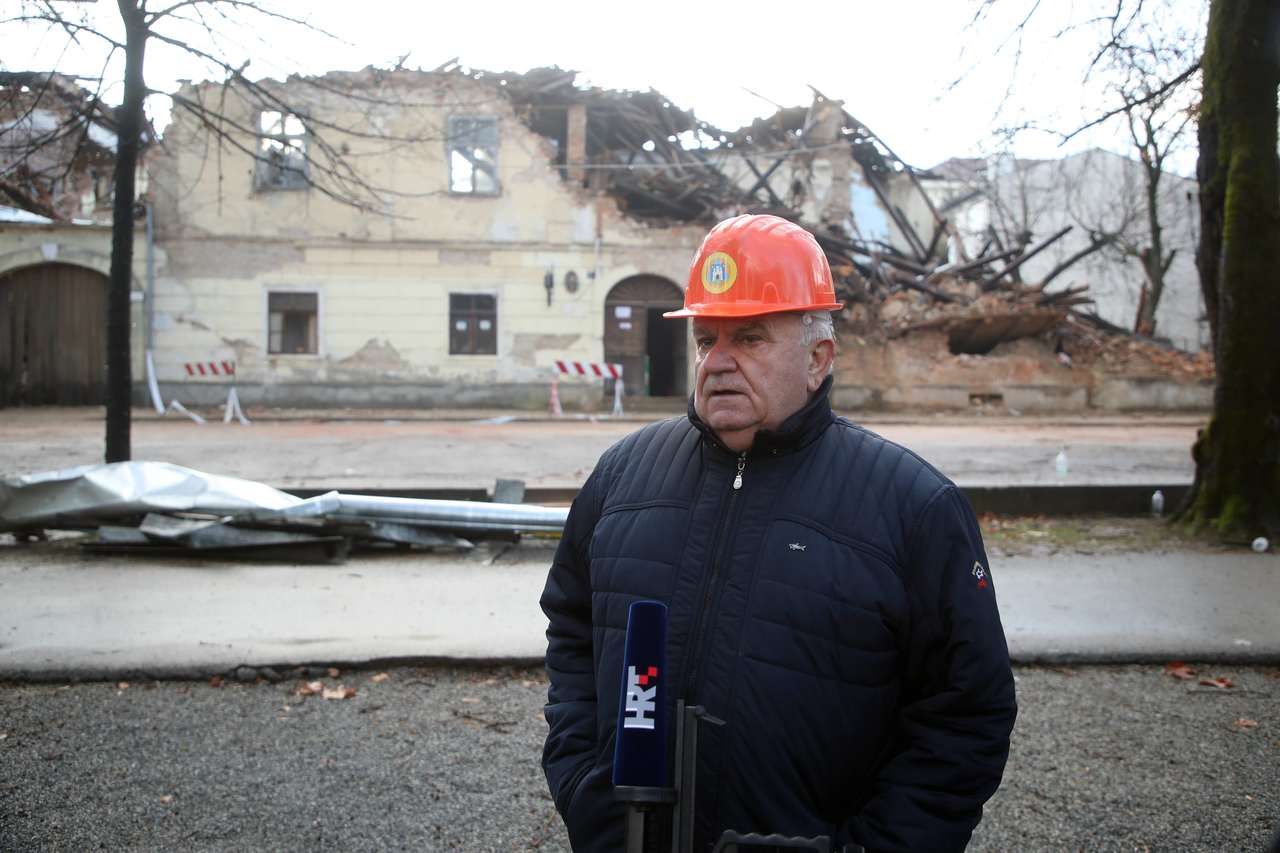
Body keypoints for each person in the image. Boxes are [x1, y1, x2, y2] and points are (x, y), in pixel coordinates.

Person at [540, 214, 1017, 852]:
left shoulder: (915, 506)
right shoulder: (622, 476)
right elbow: (572, 630)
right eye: (706, 339)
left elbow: (966, 714)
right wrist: (583, 785)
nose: (718, 362)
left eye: (751, 338)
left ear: (818, 358)